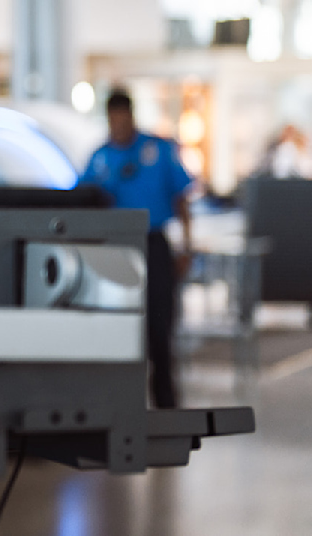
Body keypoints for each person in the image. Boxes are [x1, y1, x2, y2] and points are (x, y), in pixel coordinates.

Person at [79, 88, 193, 409]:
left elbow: (181, 198)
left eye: (122, 118)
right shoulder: (100, 157)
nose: (119, 126)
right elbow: (83, 199)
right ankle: (121, 405)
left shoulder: (157, 150)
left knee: (160, 328)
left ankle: (166, 405)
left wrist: (187, 246)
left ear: (130, 115)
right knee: (119, 326)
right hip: (114, 247)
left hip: (153, 243)